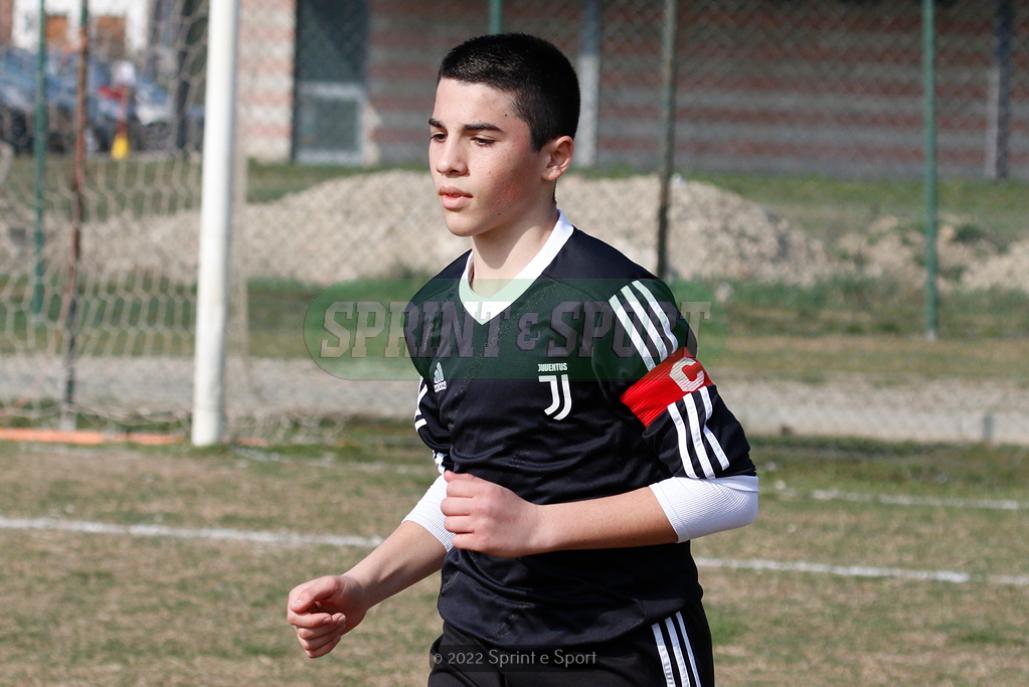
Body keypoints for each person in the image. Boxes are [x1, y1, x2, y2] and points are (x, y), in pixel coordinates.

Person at [287, 33, 758, 687]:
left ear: (553, 157)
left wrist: (539, 526)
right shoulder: (432, 311)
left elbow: (726, 489)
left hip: (617, 651)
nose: (448, 162)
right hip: (474, 649)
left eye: (481, 140)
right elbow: (465, 489)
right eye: (437, 135)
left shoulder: (611, 302)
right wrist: (365, 583)